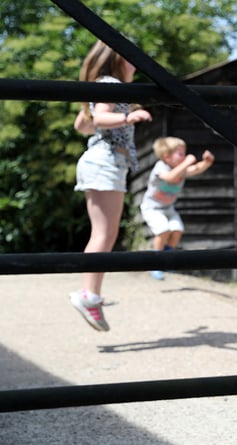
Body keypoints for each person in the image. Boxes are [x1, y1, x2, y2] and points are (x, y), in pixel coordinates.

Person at [70, 40, 153, 332]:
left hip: (106, 163)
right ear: (117, 58)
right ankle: (89, 295)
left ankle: (90, 294)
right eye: (130, 57)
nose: (135, 63)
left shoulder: (105, 85)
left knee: (106, 234)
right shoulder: (109, 83)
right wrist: (128, 117)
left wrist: (110, 115)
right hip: (105, 163)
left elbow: (83, 124)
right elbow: (101, 118)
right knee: (104, 234)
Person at [140, 136, 215, 280]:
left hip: (168, 208)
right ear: (166, 157)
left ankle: (166, 259)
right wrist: (186, 162)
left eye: (184, 153)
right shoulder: (161, 167)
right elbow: (169, 178)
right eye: (180, 153)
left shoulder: (182, 169)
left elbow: (196, 168)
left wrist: (207, 162)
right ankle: (155, 263)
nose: (184, 156)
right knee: (163, 230)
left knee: (177, 229)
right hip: (152, 208)